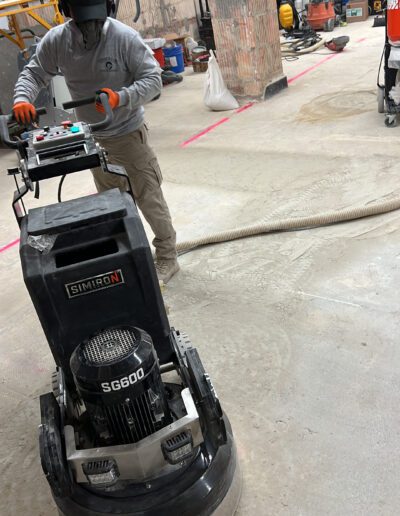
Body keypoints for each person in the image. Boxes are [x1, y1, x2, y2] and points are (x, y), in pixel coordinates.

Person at [12, 0, 179, 284]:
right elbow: (34, 72)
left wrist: (120, 97)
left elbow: (152, 79)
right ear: (68, 12)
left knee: (148, 198)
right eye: (82, 22)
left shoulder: (124, 37)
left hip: (128, 135)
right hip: (92, 138)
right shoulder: (58, 41)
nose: (89, 28)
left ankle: (166, 257)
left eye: (94, 21)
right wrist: (22, 99)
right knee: (113, 204)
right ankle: (129, 254)